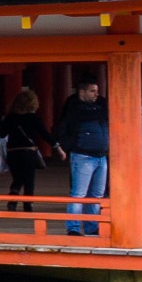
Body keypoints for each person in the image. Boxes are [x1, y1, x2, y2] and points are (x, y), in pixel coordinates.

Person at [57, 76, 110, 236]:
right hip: (83, 155)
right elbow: (62, 129)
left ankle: (91, 226)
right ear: (82, 92)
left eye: (97, 91)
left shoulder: (100, 107)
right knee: (79, 193)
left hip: (101, 156)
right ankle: (73, 227)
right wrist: (67, 147)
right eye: (92, 91)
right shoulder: (75, 109)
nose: (96, 95)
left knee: (96, 194)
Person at [0, 88, 52, 213]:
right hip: (29, 152)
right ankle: (28, 205)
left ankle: (13, 199)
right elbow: (44, 134)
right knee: (29, 179)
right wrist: (57, 146)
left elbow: (1, 135)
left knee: (17, 178)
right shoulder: (33, 118)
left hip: (13, 152)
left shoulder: (10, 118)